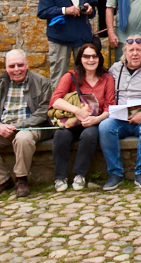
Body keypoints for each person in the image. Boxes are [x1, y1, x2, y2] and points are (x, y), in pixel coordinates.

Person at [0, 50, 53, 198]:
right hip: (4, 128)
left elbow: (43, 112)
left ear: (27, 65)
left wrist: (19, 125)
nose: (16, 70)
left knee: (23, 138)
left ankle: (21, 179)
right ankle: (2, 180)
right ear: (6, 67)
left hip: (31, 127)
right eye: (12, 66)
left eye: (20, 65)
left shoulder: (41, 82)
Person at [99, 35, 141, 191]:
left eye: (138, 50)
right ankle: (115, 173)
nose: (135, 54)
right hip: (119, 119)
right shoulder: (115, 69)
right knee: (104, 127)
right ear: (125, 53)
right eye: (131, 50)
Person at [49, 43, 115, 192]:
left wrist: (96, 119)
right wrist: (77, 111)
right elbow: (55, 101)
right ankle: (60, 177)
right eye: (86, 56)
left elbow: (110, 107)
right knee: (60, 135)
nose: (91, 60)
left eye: (94, 56)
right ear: (80, 59)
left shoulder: (107, 79)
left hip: (93, 122)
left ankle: (80, 174)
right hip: (72, 121)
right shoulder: (70, 76)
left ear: (99, 58)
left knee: (89, 135)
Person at [37, 0, 97, 86]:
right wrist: (64, 10)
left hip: (82, 38)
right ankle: (58, 99)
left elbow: (93, 10)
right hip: (60, 38)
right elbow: (42, 12)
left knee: (84, 76)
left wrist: (90, 9)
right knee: (59, 77)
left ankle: (82, 99)